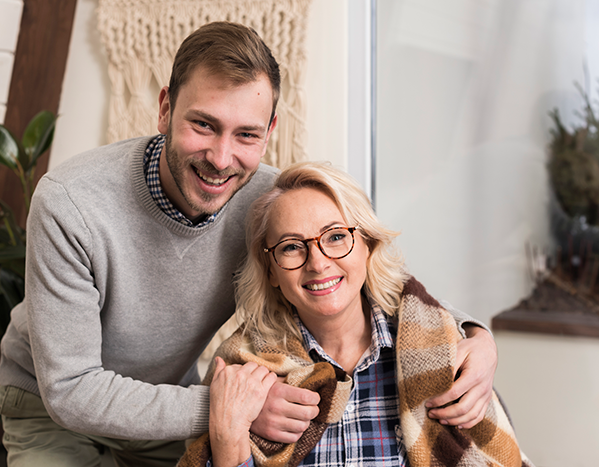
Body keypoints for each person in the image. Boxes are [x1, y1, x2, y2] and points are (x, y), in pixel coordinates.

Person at [0, 21, 498, 467]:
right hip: (49, 408)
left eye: (246, 135)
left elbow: (365, 274)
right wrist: (231, 406)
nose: (221, 157)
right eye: (203, 124)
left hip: (166, 397)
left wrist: (473, 335)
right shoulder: (71, 202)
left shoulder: (267, 201)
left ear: (270, 132)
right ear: (165, 109)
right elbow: (70, 389)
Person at [182, 162, 532, 467]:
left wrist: (482, 337)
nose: (318, 263)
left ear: (367, 244)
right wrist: (229, 436)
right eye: (291, 246)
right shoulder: (241, 371)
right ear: (271, 270)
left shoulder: (441, 351)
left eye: (336, 237)